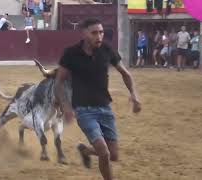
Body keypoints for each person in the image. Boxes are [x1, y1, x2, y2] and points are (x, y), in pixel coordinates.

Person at [54, 18, 141, 180]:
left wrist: (134, 94)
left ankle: (85, 151)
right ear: (84, 34)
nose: (99, 36)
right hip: (83, 110)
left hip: (105, 108)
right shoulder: (71, 53)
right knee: (104, 152)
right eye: (94, 33)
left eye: (101, 32)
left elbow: (125, 74)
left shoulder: (107, 50)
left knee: (113, 154)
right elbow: (59, 82)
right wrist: (66, 106)